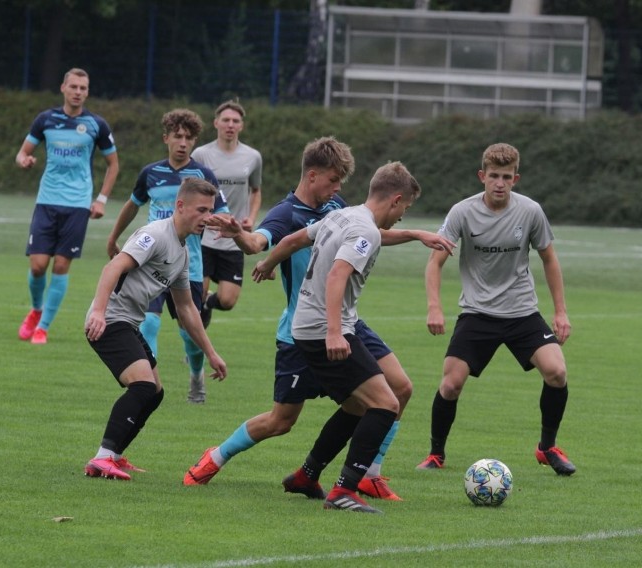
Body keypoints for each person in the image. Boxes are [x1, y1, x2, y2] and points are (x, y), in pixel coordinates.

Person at [183, 138, 453, 502]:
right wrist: (245, 240)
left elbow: (365, 233)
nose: (339, 188)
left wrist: (415, 234)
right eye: (334, 179)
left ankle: (366, 474)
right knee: (282, 421)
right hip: (306, 330)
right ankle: (215, 457)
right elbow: (261, 241)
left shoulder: (336, 208)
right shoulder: (285, 212)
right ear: (312, 176)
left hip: (344, 321)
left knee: (398, 389)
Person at [249, 161, 424, 513]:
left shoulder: (342, 216)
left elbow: (296, 239)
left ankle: (307, 475)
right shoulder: (366, 231)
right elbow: (337, 276)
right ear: (397, 199)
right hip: (323, 329)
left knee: (358, 406)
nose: (403, 216)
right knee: (386, 404)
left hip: (310, 325)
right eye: (406, 208)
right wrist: (333, 332)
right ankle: (345, 490)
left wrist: (268, 264)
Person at [416, 142, 576, 476]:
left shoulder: (530, 211)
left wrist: (560, 311)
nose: (499, 183)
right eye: (493, 176)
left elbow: (549, 259)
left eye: (506, 176)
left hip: (522, 312)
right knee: (451, 384)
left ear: (515, 178)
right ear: (482, 176)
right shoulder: (462, 212)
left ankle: (547, 448)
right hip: (477, 313)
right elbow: (435, 262)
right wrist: (435, 307)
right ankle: (435, 454)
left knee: (557, 372)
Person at [83, 177, 227, 481]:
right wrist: (97, 311)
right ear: (180, 206)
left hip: (127, 322)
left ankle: (115, 456)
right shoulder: (155, 235)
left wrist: (211, 353)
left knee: (155, 393)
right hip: (110, 320)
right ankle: (102, 457)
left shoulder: (182, 251)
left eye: (210, 210)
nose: (207, 217)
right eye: (201, 209)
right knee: (143, 387)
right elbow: (113, 267)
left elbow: (186, 308)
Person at [106, 109, 228, 404]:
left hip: (189, 266)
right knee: (149, 322)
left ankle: (197, 377)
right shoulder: (151, 173)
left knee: (189, 331)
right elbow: (133, 205)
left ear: (194, 140)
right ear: (167, 139)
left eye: (188, 137)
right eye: (177, 136)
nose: (183, 142)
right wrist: (114, 237)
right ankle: (147, 383)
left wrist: (227, 227)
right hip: (151, 264)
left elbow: (221, 214)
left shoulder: (203, 176)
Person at [15, 67, 119, 345]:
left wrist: (101, 199)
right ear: (63, 88)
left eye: (83, 88)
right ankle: (36, 311)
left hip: (77, 205)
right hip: (47, 200)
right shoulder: (46, 120)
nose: (78, 92)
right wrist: (24, 160)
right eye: (73, 87)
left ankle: (43, 327)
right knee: (38, 266)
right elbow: (23, 151)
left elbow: (113, 164)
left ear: (87, 92)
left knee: (61, 265)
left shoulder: (97, 125)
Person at [190, 100, 262, 328]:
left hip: (233, 239)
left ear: (241, 126)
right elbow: (190, 190)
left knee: (228, 300)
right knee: (194, 297)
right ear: (216, 123)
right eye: (226, 120)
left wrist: (251, 217)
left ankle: (210, 303)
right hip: (205, 237)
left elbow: (256, 190)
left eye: (235, 121)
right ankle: (196, 353)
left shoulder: (252, 157)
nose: (230, 125)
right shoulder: (201, 155)